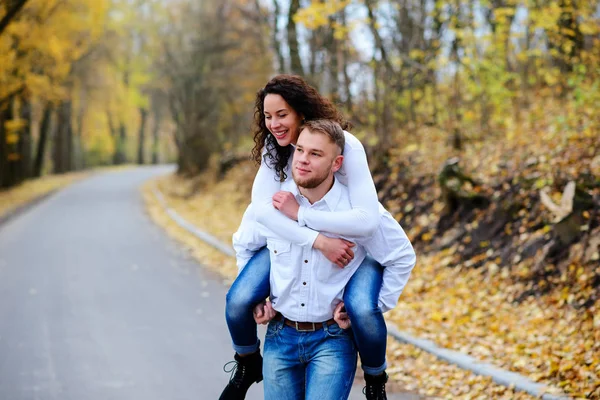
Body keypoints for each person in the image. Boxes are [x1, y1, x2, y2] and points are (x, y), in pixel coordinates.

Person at [220, 75, 409, 400]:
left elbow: (367, 224)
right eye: (268, 116)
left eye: (282, 115)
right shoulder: (276, 159)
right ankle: (247, 362)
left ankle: (376, 380)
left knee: (362, 308)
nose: (274, 124)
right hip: (287, 305)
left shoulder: (346, 149)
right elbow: (259, 217)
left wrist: (304, 216)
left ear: (302, 113)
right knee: (238, 299)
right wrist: (317, 240)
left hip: (349, 253)